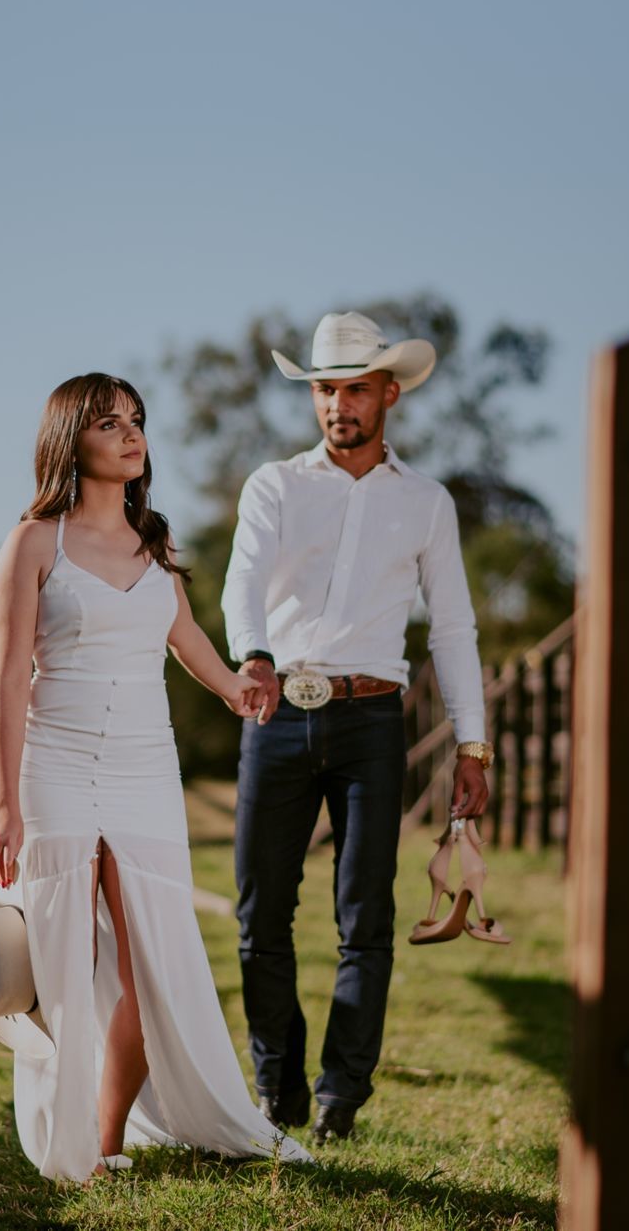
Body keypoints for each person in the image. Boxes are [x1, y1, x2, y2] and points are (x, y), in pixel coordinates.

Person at [0, 372, 315, 1182]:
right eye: (109, 423)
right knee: (59, 961)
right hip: (54, 765)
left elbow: (186, 639)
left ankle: (105, 1142)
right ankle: (66, 1148)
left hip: (144, 766)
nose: (131, 435)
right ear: (70, 439)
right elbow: (4, 683)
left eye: (136, 421)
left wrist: (240, 686)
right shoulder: (33, 543)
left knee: (148, 968)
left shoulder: (154, 544)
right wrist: (2, 804)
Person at [222, 311, 493, 1142]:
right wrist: (255, 654)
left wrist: (472, 743)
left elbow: (453, 629)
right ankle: (279, 1090)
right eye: (325, 389)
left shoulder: (426, 503)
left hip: (375, 721)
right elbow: (242, 582)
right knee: (260, 915)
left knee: (363, 918)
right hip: (278, 713)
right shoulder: (274, 485)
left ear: (390, 394)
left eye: (354, 389)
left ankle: (341, 1097)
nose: (337, 403)